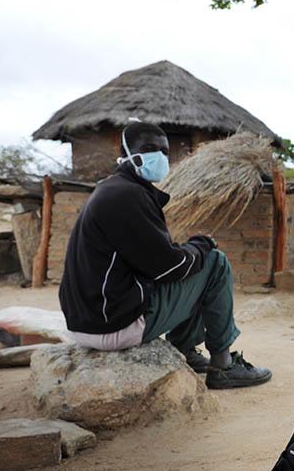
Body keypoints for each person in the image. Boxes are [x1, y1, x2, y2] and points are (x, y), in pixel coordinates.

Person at [58, 121, 273, 390]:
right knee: (214, 263)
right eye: (149, 149)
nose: (159, 156)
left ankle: (186, 351)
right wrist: (202, 244)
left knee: (196, 265)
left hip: (90, 320)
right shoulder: (127, 195)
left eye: (163, 150)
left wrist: (191, 250)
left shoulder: (112, 189)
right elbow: (173, 269)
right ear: (125, 152)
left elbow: (157, 263)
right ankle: (224, 364)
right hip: (113, 325)